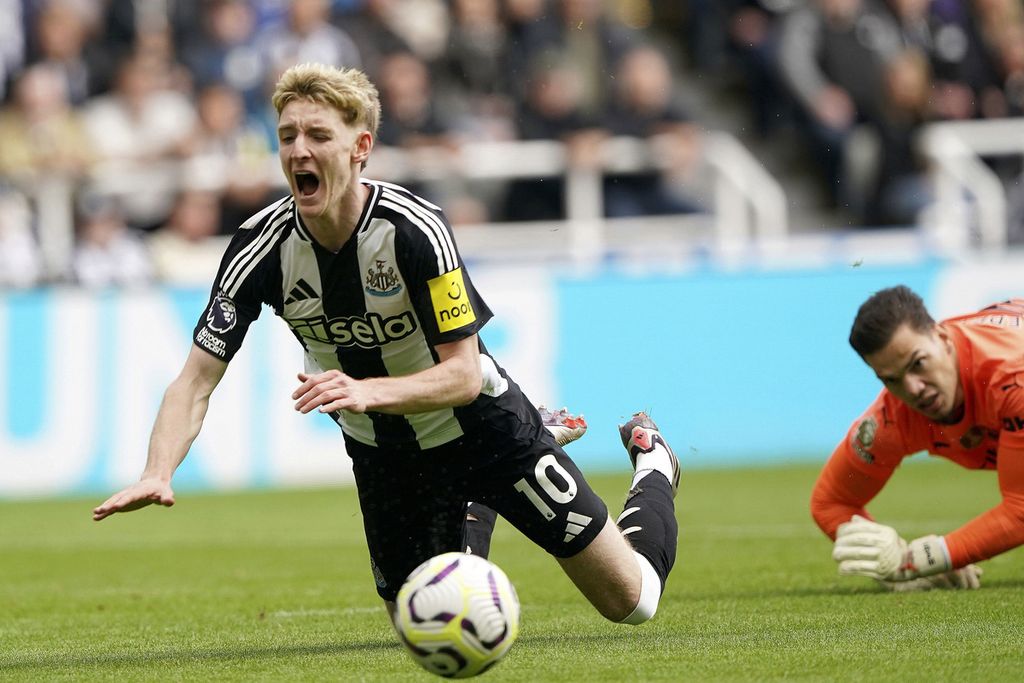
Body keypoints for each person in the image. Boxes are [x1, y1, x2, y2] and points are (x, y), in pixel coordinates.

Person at [92, 63, 681, 627]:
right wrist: (158, 468)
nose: (299, 149)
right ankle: (479, 497)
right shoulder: (260, 249)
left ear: (360, 148)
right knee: (429, 619)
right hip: (386, 457)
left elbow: (464, 375)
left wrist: (365, 389)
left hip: (485, 427)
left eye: (319, 134)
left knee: (633, 602)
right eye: (288, 135)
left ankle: (654, 462)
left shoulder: (414, 230)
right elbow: (196, 379)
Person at [811, 286, 1024, 591]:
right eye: (891, 379)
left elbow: (1021, 509)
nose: (913, 389)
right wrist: (888, 559)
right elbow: (831, 502)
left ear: (943, 339)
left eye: (917, 364)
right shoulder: (894, 417)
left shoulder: (1011, 377)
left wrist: (918, 560)